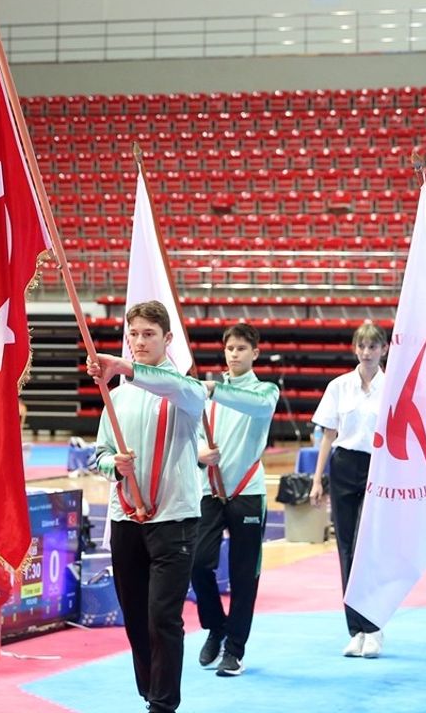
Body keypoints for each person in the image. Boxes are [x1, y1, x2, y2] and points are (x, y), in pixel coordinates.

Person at [88, 301, 208, 713]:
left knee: (163, 617)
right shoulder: (115, 397)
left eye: (149, 335)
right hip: (125, 518)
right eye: (134, 335)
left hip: (174, 520)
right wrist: (112, 464)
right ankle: (149, 692)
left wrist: (121, 365)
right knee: (136, 617)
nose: (139, 342)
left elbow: (172, 387)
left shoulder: (186, 389)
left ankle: (163, 704)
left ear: (167, 340)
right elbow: (99, 453)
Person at [192, 323, 279, 677]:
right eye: (230, 348)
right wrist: (201, 453)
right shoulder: (208, 396)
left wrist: (213, 389)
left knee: (245, 576)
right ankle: (215, 626)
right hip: (210, 491)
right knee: (197, 563)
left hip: (248, 493)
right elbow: (193, 436)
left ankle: (235, 649)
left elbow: (256, 407)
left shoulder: (265, 391)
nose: (234, 354)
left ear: (254, 353)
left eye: (242, 348)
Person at [310, 322, 387, 658]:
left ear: (384, 349)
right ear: (355, 349)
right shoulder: (339, 386)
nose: (367, 352)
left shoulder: (392, 387)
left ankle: (375, 626)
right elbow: (328, 435)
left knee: (370, 548)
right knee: (346, 549)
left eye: (373, 346)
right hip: (343, 466)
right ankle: (355, 629)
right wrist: (316, 479)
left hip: (378, 468)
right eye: (362, 346)